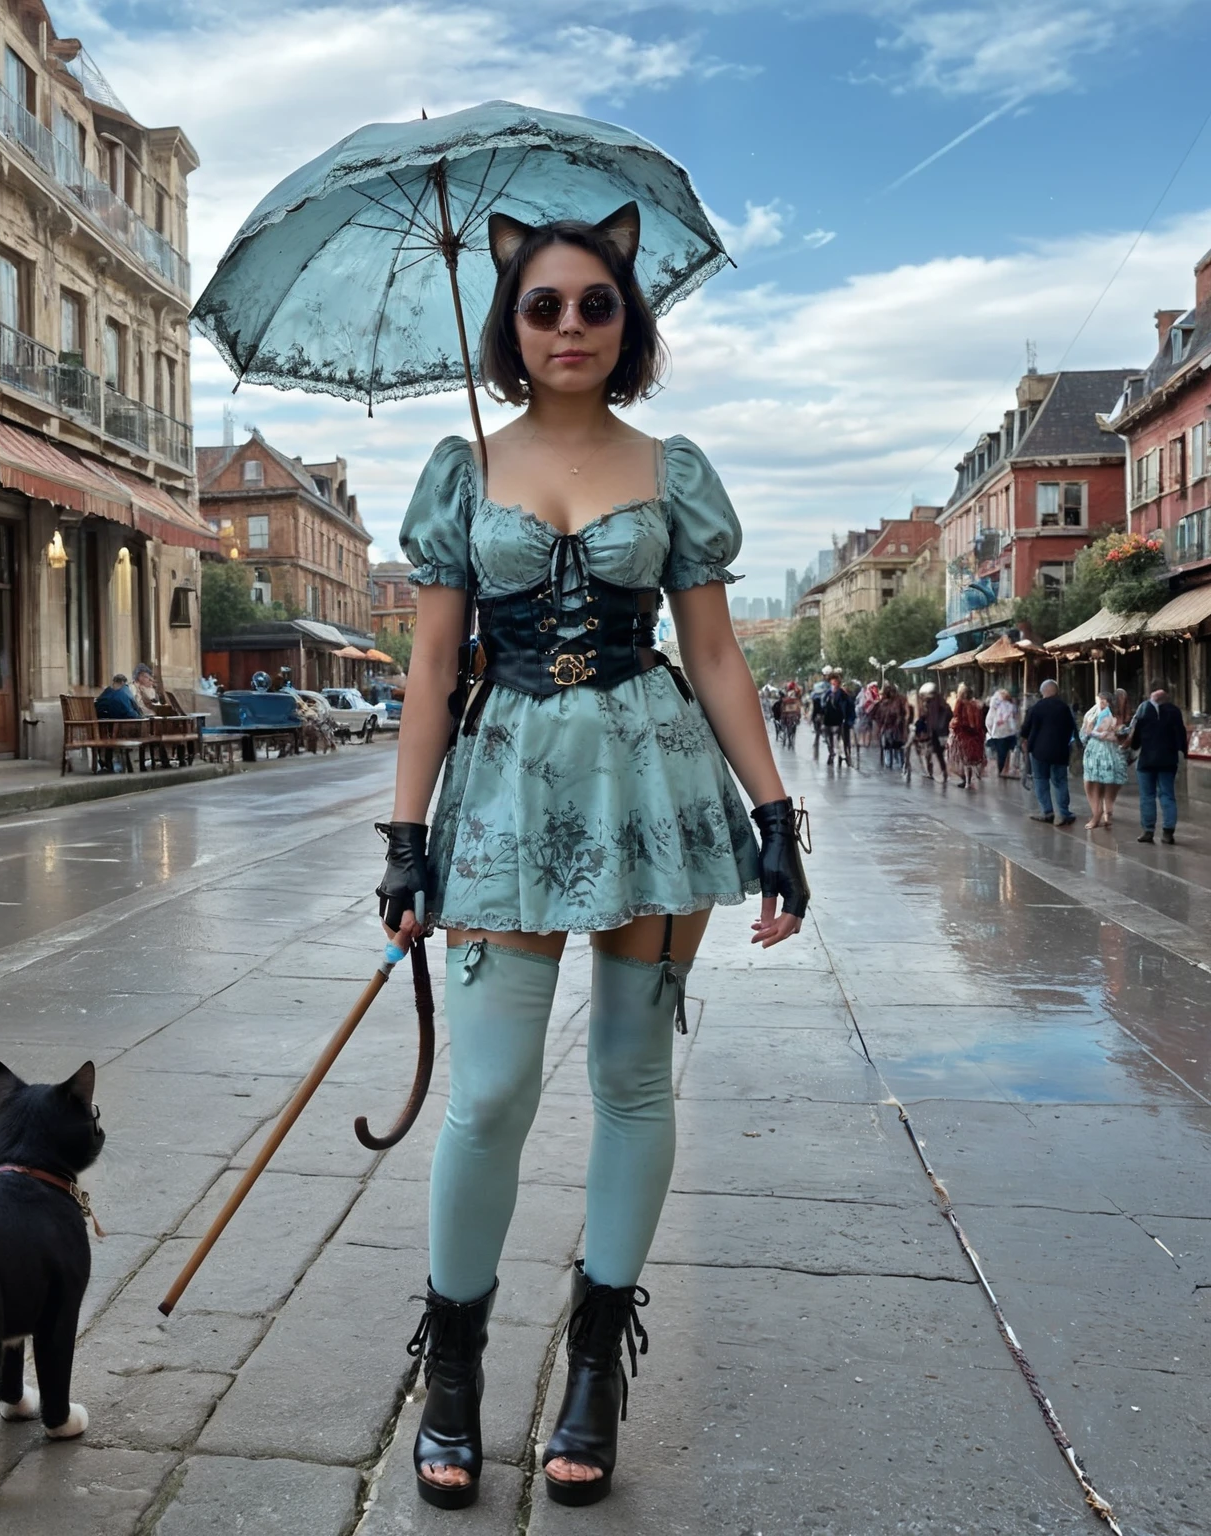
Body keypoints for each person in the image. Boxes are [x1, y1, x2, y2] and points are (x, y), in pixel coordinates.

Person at [375, 203, 809, 1512]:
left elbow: (719, 655)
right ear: (511, 324)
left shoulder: (673, 471)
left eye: (595, 302)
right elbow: (434, 664)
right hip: (504, 797)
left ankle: (595, 1369)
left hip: (656, 791)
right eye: (544, 303)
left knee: (632, 1080)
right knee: (490, 1091)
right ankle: (451, 1363)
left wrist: (777, 815)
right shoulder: (463, 471)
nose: (569, 324)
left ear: (630, 322)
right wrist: (405, 838)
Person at [1127, 679, 1189, 844]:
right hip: (1168, 761)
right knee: (1167, 795)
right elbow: (1181, 736)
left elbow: (1136, 738)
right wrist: (1182, 753)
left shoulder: (1144, 710)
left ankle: (1148, 831)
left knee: (1147, 796)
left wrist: (1133, 748)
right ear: (1167, 693)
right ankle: (1168, 832)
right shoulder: (1174, 711)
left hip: (1146, 761)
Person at [1019, 679, 1077, 825]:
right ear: (1056, 691)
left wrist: (1025, 742)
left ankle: (1047, 812)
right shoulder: (1064, 707)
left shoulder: (1036, 708)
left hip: (1039, 751)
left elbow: (1025, 730)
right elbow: (1072, 727)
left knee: (1040, 780)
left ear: (1043, 691)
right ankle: (1064, 813)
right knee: (1060, 781)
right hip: (1060, 750)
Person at [1080, 691, 1128, 830]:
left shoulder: (1098, 714)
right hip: (1113, 750)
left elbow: (1090, 733)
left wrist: (1090, 730)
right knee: (1109, 781)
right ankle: (1107, 812)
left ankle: (1097, 814)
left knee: (1092, 782)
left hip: (1098, 750)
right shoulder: (1117, 715)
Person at [947, 682, 986, 789]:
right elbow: (979, 721)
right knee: (971, 759)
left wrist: (953, 726)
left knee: (963, 760)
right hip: (975, 735)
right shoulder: (976, 704)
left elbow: (956, 717)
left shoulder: (960, 703)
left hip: (963, 734)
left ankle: (967, 781)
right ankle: (970, 779)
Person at [915, 683, 951, 781]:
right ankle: (942, 772)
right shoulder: (943, 704)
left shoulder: (930, 704)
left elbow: (924, 716)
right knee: (939, 754)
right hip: (943, 733)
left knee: (935, 753)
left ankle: (937, 772)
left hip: (935, 732)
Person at [816, 673, 852, 765]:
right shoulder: (827, 694)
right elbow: (822, 705)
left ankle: (842, 753)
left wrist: (848, 719)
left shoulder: (843, 695)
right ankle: (831, 752)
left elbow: (849, 707)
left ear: (838, 683)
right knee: (827, 738)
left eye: (835, 683)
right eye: (832, 683)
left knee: (839, 738)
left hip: (839, 720)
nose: (833, 685)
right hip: (828, 720)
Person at [984, 688, 1019, 778]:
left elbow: (989, 720)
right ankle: (1003, 770)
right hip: (1005, 733)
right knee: (1004, 753)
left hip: (1000, 734)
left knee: (1003, 753)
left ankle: (1003, 770)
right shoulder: (1006, 706)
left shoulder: (996, 706)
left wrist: (991, 731)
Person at [873, 683, 907, 769]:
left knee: (891, 747)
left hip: (890, 728)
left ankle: (894, 764)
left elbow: (877, 716)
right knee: (896, 747)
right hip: (893, 728)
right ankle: (899, 764)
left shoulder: (885, 703)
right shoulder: (898, 701)